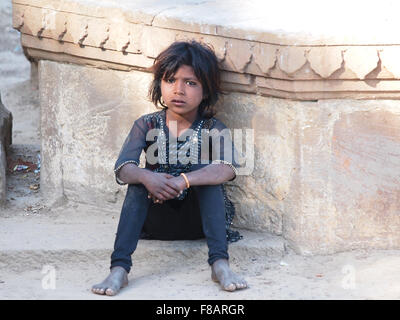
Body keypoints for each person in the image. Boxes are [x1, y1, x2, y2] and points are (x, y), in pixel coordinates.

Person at [92, 40, 248, 296]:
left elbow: (227, 168)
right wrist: (147, 177)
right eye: (170, 80)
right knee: (138, 182)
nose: (179, 90)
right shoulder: (146, 124)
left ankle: (220, 263)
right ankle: (119, 269)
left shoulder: (213, 128)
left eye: (190, 83)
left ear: (206, 91)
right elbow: (123, 168)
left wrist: (183, 180)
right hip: (157, 219)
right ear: (159, 85)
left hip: (199, 221)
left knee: (209, 177)